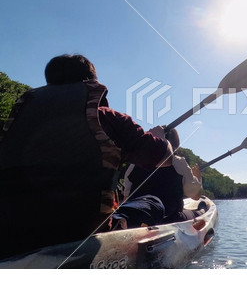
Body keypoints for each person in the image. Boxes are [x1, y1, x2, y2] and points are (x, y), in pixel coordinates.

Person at [0, 54, 173, 260]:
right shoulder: (107, 118)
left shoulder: (15, 126)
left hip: (13, 233)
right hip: (81, 232)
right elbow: (165, 159)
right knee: (151, 201)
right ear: (92, 82)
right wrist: (160, 138)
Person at [120, 128, 204, 224]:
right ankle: (202, 210)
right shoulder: (178, 162)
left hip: (138, 218)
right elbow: (196, 196)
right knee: (198, 212)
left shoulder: (134, 164)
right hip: (169, 219)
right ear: (175, 144)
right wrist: (198, 177)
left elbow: (126, 197)